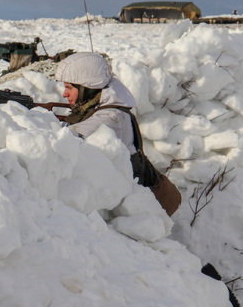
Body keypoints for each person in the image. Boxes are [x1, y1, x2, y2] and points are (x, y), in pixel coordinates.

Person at [56, 52, 181, 216]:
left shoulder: (112, 118)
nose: (65, 94)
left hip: (141, 213)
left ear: (86, 87)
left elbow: (67, 139)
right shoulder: (98, 106)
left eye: (69, 88)